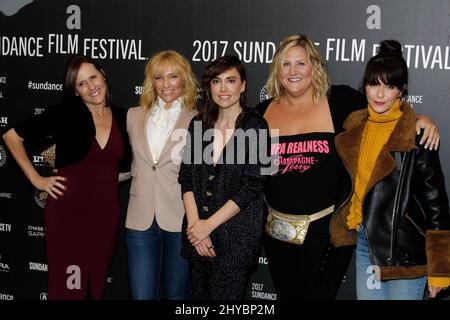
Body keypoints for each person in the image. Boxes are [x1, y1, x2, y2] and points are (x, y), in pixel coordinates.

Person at [256, 34, 440, 300]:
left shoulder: (340, 101)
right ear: (277, 69)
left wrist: (419, 119)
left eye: (301, 63)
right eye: (286, 64)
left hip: (327, 238)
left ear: (314, 66)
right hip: (276, 237)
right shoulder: (260, 112)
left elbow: (385, 107)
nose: (293, 71)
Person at [2, 55, 132, 299]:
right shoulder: (65, 113)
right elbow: (12, 136)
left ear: (103, 75)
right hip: (68, 214)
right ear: (75, 90)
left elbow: (125, 168)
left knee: (94, 288)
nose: (91, 86)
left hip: (105, 215)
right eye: (81, 83)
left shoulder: (124, 117)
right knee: (69, 288)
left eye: (93, 77)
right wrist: (36, 179)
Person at [332, 40, 450, 300]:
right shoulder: (353, 129)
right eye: (374, 84)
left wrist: (440, 270)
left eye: (390, 86)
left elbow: (437, 206)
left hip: (407, 253)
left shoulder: (416, 135)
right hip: (367, 243)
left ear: (401, 90)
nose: (380, 94)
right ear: (364, 85)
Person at [178, 55, 270, 299]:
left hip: (235, 240)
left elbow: (253, 186)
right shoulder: (199, 124)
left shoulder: (255, 126)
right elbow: (186, 177)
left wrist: (207, 226)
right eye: (216, 82)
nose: (223, 89)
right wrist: (195, 228)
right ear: (209, 87)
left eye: (231, 80)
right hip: (197, 237)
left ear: (243, 85)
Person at [125, 50, 197, 300]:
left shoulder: (198, 120)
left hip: (180, 218)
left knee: (178, 295)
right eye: (158, 77)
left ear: (184, 80)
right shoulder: (133, 116)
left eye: (173, 76)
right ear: (150, 81)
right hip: (139, 218)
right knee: (142, 296)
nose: (165, 84)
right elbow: (123, 161)